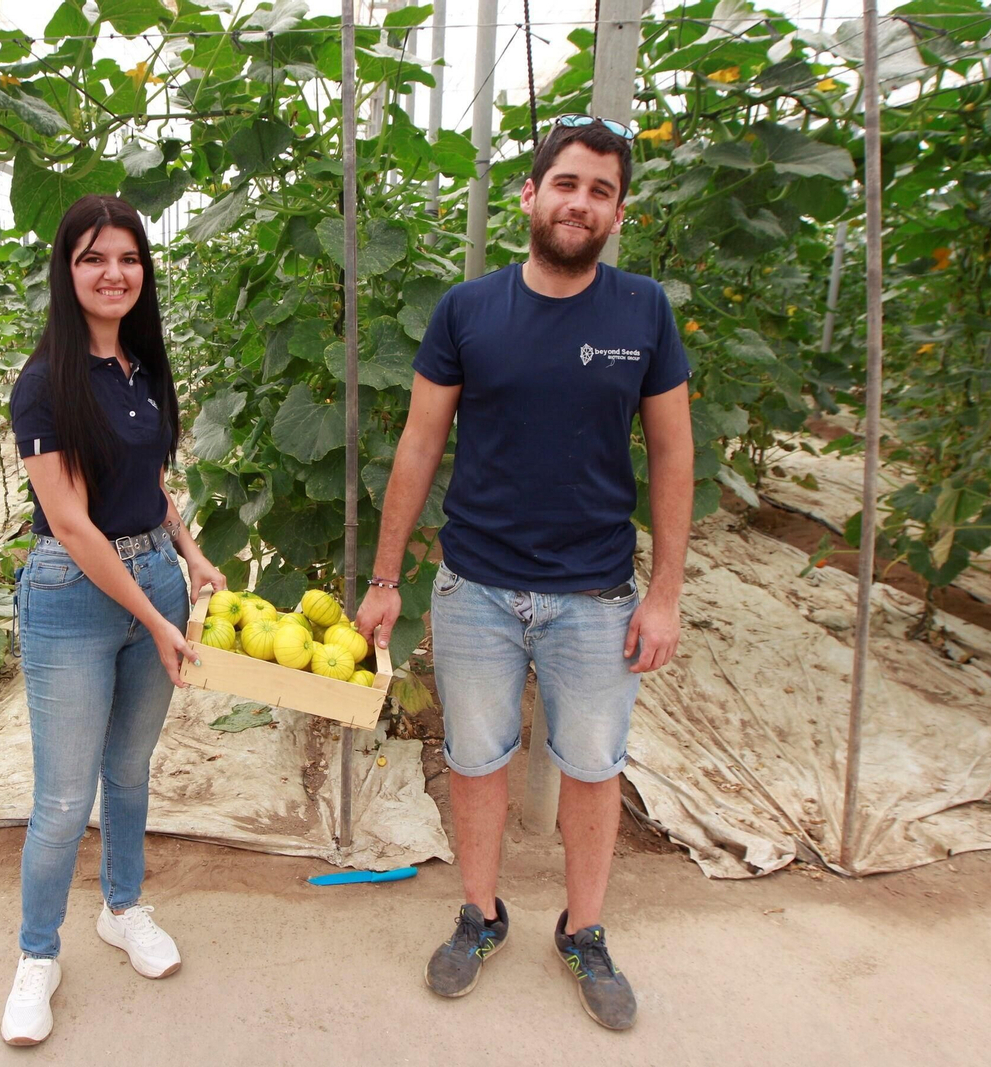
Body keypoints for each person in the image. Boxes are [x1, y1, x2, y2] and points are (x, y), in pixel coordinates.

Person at [355, 115, 694, 1030]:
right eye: (568, 183)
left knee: (592, 767)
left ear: (620, 212)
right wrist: (388, 579)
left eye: (602, 190)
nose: (581, 202)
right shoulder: (468, 310)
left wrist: (663, 594)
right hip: (477, 591)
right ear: (531, 195)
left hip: (596, 595)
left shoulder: (643, 312)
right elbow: (420, 447)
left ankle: (584, 930)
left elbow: (672, 456)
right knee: (476, 759)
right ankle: (481, 913)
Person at [2, 195, 225, 1046]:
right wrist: (154, 617)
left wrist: (189, 552)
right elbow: (71, 522)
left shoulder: (143, 366)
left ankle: (123, 907)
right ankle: (36, 954)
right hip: (72, 594)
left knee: (128, 771)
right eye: (94, 258)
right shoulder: (43, 384)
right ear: (68, 270)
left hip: (155, 582)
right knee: (62, 796)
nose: (113, 273)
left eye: (128, 258)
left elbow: (151, 489)